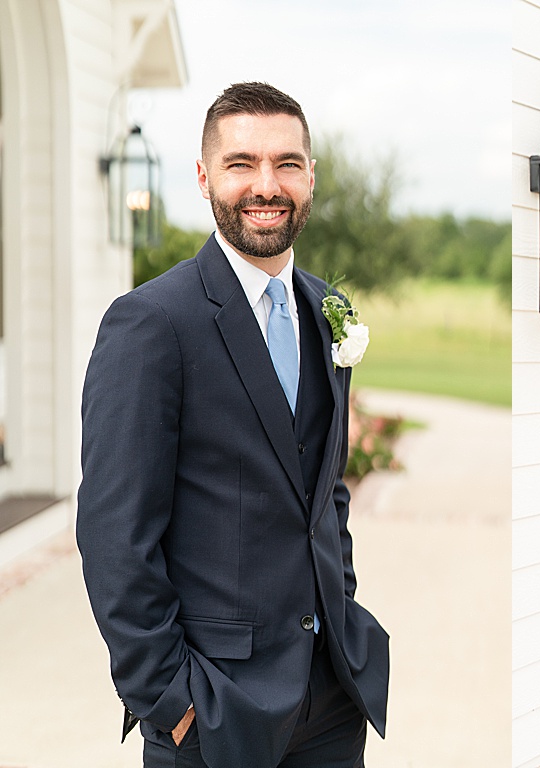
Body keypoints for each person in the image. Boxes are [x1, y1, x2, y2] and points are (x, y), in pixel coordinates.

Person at [77, 82, 388, 768]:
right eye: (241, 163)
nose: (265, 185)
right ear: (204, 176)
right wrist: (171, 700)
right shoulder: (152, 324)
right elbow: (113, 535)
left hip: (332, 699)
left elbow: (324, 491)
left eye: (287, 163)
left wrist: (342, 613)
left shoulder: (327, 308)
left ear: (310, 176)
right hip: (212, 711)